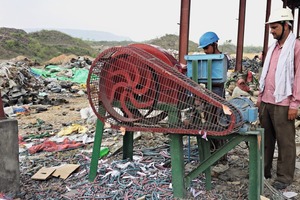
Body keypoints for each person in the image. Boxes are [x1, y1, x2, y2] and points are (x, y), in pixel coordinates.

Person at [256, 7, 300, 190]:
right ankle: (264, 170)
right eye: (270, 28)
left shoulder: (296, 46)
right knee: (265, 140)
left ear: (286, 25)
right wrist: (259, 96)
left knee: (285, 142)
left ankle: (284, 177)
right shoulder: (272, 47)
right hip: (266, 101)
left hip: (283, 103)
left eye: (274, 27)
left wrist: (295, 103)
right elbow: (266, 74)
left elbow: (299, 76)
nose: (272, 31)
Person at [198, 31, 229, 165]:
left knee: (219, 124)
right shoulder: (207, 59)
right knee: (209, 123)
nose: (205, 51)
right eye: (204, 48)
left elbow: (219, 80)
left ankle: (221, 158)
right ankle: (210, 152)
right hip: (208, 94)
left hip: (218, 95)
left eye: (206, 48)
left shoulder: (222, 59)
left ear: (214, 44)